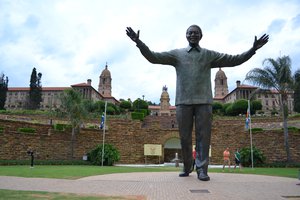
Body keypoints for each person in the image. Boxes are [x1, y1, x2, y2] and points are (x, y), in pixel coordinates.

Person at [126, 25, 269, 181]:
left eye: (196, 33)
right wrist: (138, 42)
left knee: (204, 137)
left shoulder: (208, 55)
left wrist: (252, 49)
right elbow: (153, 57)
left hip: (204, 102)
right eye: (190, 33)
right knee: (184, 137)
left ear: (201, 35)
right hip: (183, 102)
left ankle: (202, 169)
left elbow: (234, 60)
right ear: (186, 35)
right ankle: (187, 166)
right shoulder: (177, 54)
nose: (193, 35)